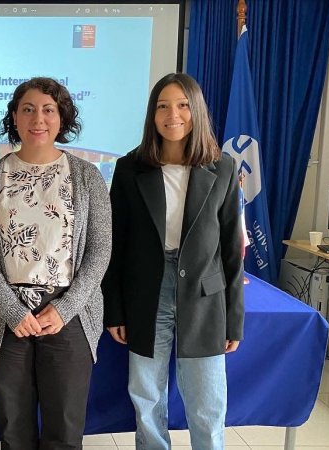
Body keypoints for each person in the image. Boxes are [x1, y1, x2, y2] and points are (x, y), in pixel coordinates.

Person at [0, 77, 112, 450]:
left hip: (69, 316)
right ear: (14, 117)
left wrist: (64, 309)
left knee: (63, 429)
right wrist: (12, 311)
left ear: (61, 118)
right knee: (14, 429)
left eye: (49, 110)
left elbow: (99, 252)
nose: (38, 118)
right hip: (6, 318)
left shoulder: (87, 177)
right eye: (28, 109)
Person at [102, 73, 244, 450]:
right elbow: (116, 245)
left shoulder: (223, 168)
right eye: (163, 106)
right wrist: (114, 310)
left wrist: (234, 318)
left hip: (204, 296)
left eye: (182, 105)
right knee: (147, 397)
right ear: (152, 114)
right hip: (146, 292)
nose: (173, 114)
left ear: (196, 111)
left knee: (208, 402)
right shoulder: (131, 168)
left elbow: (231, 250)